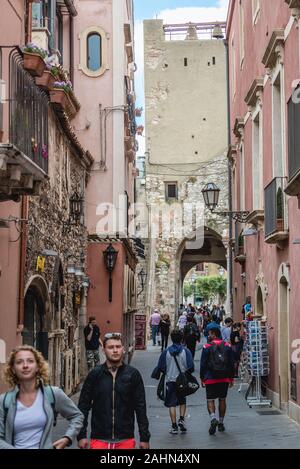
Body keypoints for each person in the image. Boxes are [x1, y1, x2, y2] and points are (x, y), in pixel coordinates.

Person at [0, 345, 83, 449]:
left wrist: (67, 438)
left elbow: (77, 416)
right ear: (13, 369)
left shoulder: (53, 394)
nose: (25, 365)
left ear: (37, 367)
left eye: (30, 361)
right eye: (19, 362)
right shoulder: (4, 401)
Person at [77, 333, 150, 450]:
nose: (115, 350)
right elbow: (83, 406)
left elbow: (140, 407)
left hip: (125, 439)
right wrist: (81, 435)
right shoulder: (95, 375)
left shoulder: (133, 374)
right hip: (99, 439)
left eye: (118, 347)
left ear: (123, 349)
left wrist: (144, 438)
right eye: (111, 347)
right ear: (104, 350)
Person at [155, 330, 194, 435]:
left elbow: (161, 367)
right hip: (182, 381)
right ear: (182, 339)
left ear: (171, 339)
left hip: (170, 380)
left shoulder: (166, 352)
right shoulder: (186, 351)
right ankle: (181, 420)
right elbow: (191, 367)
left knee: (171, 404)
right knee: (182, 401)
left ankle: (174, 426)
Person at [200, 327, 234, 435]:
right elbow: (231, 364)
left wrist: (202, 378)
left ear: (214, 334)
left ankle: (213, 418)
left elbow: (203, 364)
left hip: (210, 377)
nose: (208, 336)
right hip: (224, 377)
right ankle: (221, 422)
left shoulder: (206, 347)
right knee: (222, 399)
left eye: (209, 334)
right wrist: (231, 378)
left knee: (210, 400)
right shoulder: (227, 346)